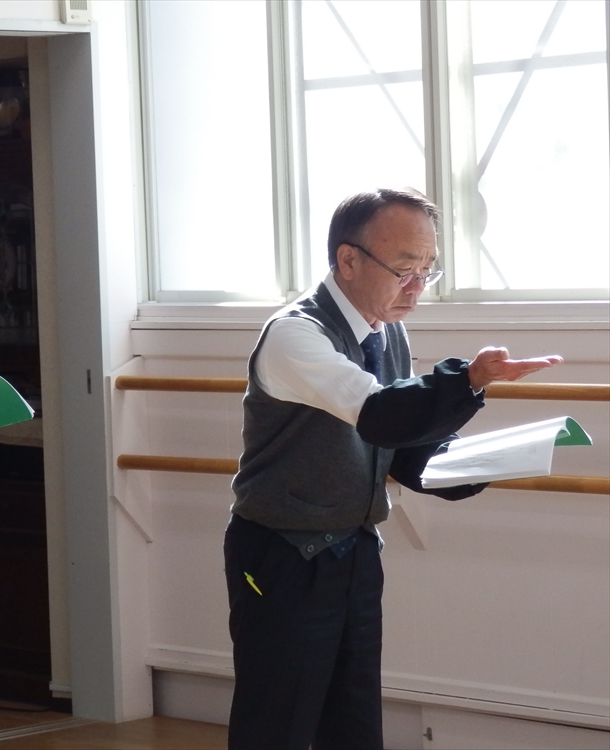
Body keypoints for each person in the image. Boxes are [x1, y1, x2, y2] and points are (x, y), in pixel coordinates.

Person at [223, 188, 562, 750]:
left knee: (354, 723)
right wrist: (469, 380)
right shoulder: (295, 334)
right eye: (405, 269)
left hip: (355, 550)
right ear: (348, 260)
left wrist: (483, 461)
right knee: (276, 725)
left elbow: (403, 446)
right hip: (282, 555)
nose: (417, 287)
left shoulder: (387, 329)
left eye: (428, 270)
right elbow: (381, 413)